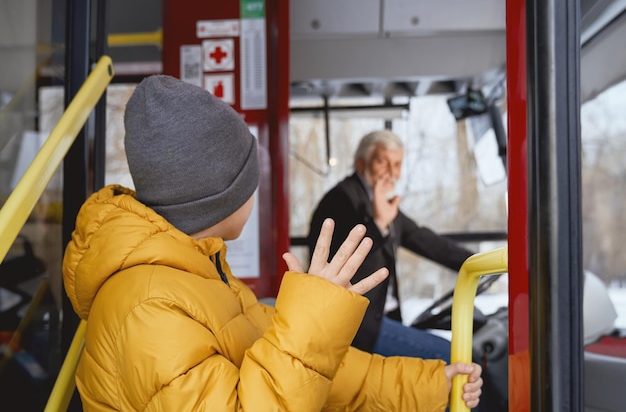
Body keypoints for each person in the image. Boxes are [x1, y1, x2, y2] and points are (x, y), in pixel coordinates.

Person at [62, 75, 483, 411]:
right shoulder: (148, 308)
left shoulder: (206, 273)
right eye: (248, 179)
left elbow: (323, 375)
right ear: (219, 195)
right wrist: (314, 316)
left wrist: (431, 386)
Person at [308, 129, 474, 362]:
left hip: (385, 319)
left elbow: (424, 240)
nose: (391, 172)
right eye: (382, 162)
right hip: (356, 325)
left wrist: (476, 262)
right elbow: (341, 263)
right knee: (449, 355)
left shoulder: (382, 205)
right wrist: (378, 223)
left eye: (397, 164)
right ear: (360, 162)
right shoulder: (339, 200)